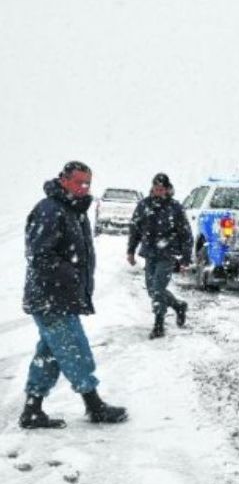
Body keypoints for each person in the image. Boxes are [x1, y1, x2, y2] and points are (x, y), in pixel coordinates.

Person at [20, 161, 128, 429]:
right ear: (64, 180)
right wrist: (71, 274)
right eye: (78, 182)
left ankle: (32, 410)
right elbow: (39, 256)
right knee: (75, 350)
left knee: (51, 353)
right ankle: (94, 406)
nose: (83, 188)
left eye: (87, 183)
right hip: (50, 298)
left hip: (60, 297)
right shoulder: (50, 210)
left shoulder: (73, 211)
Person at [127, 173, 193, 339]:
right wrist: (131, 250)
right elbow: (135, 229)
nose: (158, 192)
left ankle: (159, 325)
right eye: (155, 189)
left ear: (167, 189)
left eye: (161, 189)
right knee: (152, 289)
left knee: (157, 288)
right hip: (150, 253)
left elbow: (186, 234)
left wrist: (185, 258)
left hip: (167, 254)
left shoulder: (175, 207)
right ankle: (178, 306)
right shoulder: (144, 205)